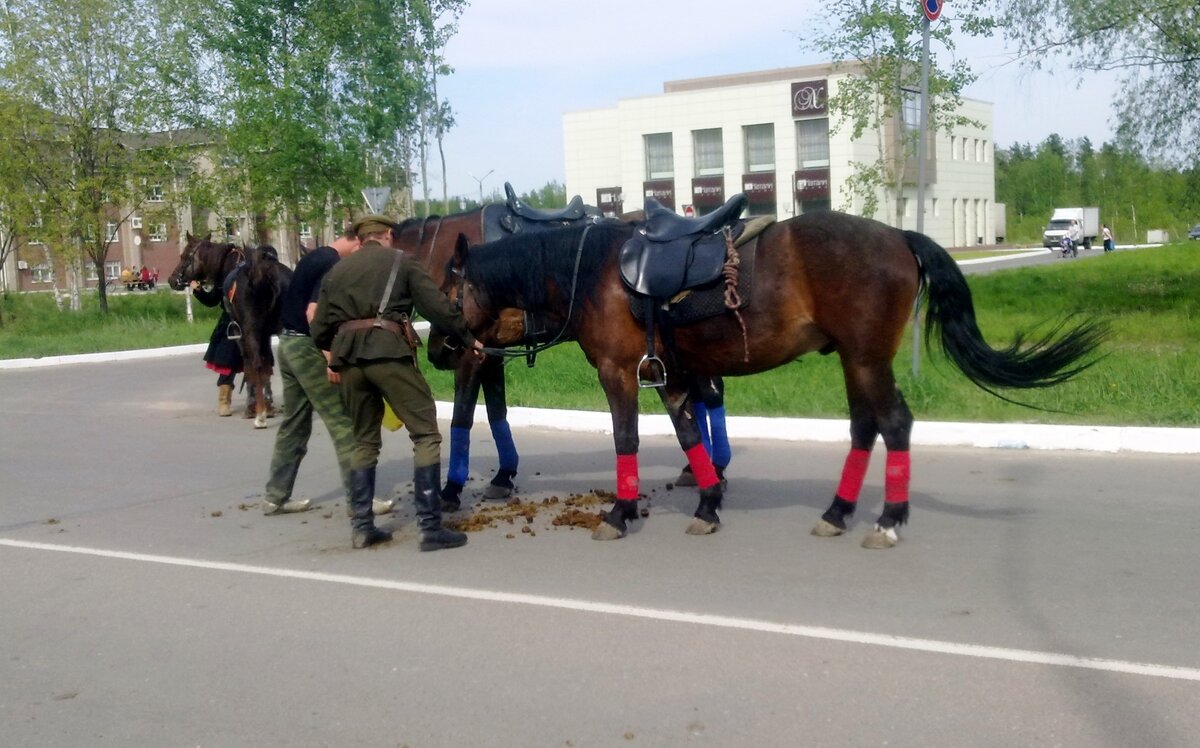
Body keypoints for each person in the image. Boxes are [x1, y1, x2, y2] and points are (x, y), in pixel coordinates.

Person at [311, 214, 484, 550]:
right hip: (389, 355)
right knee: (425, 434)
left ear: (360, 240)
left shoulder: (337, 271)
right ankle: (430, 529)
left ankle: (362, 528)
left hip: (348, 362)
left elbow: (318, 329)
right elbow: (437, 307)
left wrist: (334, 352)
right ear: (389, 235)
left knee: (363, 441)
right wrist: (468, 338)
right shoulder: (403, 263)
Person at [262, 228, 396, 517]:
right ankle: (360, 501)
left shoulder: (317, 255)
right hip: (307, 347)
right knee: (342, 420)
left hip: (287, 343)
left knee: (294, 424)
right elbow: (314, 312)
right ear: (358, 242)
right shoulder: (331, 263)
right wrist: (329, 356)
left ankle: (275, 497)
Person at [190, 279, 244, 416]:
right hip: (230, 322)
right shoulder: (226, 278)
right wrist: (198, 290)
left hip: (253, 320)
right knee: (227, 361)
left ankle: (262, 401)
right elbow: (212, 300)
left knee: (260, 364)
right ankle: (224, 402)